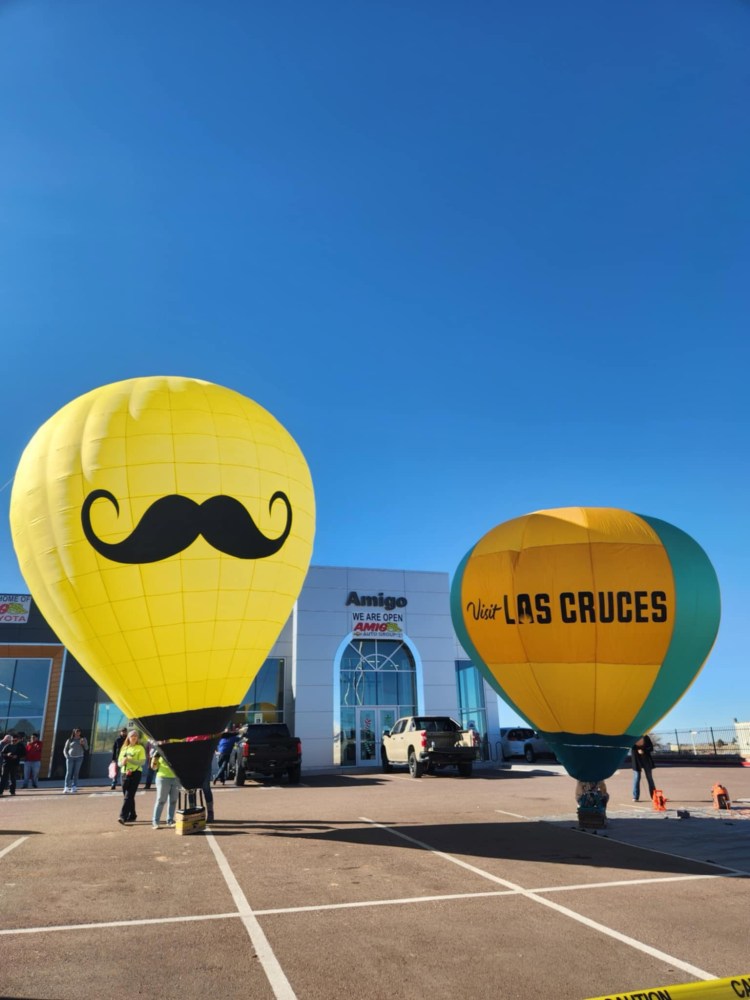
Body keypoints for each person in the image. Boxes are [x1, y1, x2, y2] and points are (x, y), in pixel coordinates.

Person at [117, 729, 146, 824]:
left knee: (128, 795)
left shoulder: (140, 748)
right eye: (132, 736)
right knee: (128, 796)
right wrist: (122, 762)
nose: (133, 737)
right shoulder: (124, 748)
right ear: (128, 738)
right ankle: (133, 815)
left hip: (135, 773)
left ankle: (122, 816)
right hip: (124, 773)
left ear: (137, 738)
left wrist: (130, 760)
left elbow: (142, 762)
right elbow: (119, 763)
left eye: (135, 736)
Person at [150, 746, 180, 829]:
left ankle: (170, 820)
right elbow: (153, 767)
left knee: (173, 801)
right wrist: (154, 760)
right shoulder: (159, 751)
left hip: (175, 778)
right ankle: (155, 822)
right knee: (161, 800)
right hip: (163, 778)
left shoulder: (178, 751)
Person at [631, 734, 656, 802]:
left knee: (650, 778)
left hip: (646, 760)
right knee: (636, 778)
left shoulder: (646, 737)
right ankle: (635, 796)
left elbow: (651, 748)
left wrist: (644, 750)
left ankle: (654, 796)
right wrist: (637, 747)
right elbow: (630, 746)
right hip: (636, 760)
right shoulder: (632, 737)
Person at [63, 728, 88, 794]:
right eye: (76, 731)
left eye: (79, 731)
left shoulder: (83, 739)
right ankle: (66, 787)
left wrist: (83, 743)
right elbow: (65, 749)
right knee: (69, 772)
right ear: (74, 732)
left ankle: (74, 786)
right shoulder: (70, 739)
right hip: (70, 758)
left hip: (79, 758)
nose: (78, 733)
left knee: (76, 772)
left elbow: (86, 748)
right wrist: (67, 756)